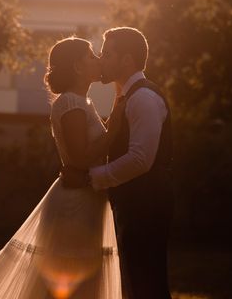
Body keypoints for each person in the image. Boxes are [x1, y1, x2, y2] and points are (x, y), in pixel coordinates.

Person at [0, 37, 122, 299]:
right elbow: (80, 158)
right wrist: (113, 132)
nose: (98, 59)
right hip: (75, 206)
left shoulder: (81, 102)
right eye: (92, 56)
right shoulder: (71, 103)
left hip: (87, 199)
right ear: (78, 66)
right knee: (69, 281)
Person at [62, 27, 174, 299]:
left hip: (146, 205)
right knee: (136, 284)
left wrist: (92, 178)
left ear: (127, 60)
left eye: (108, 54)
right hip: (135, 204)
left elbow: (140, 159)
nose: (101, 60)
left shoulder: (143, 98)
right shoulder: (127, 96)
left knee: (147, 284)